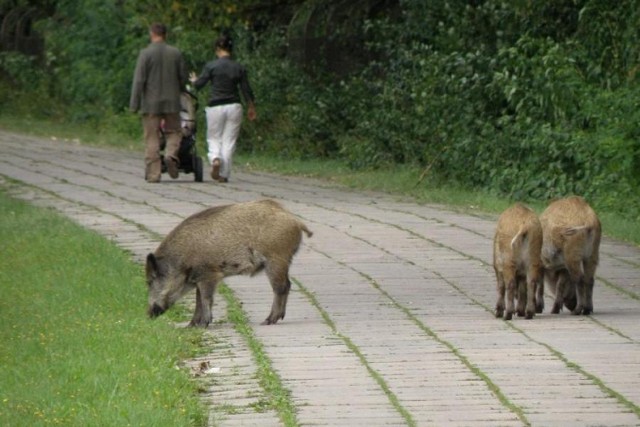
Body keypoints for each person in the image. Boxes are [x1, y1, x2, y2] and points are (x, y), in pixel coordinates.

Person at [190, 34, 256, 183]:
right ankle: (224, 175)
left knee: (214, 137)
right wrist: (251, 106)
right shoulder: (238, 67)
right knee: (229, 141)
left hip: (215, 106)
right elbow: (246, 89)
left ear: (218, 48)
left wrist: (194, 80)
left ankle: (215, 158)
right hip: (234, 106)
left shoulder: (211, 66)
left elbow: (199, 85)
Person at [130, 22, 187, 183]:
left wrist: (134, 104)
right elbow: (182, 77)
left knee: (151, 136)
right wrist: (181, 90)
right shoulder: (175, 53)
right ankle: (170, 155)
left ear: (152, 34)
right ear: (165, 34)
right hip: (172, 102)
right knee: (174, 131)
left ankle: (154, 174)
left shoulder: (145, 53)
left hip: (151, 103)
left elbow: (139, 80)